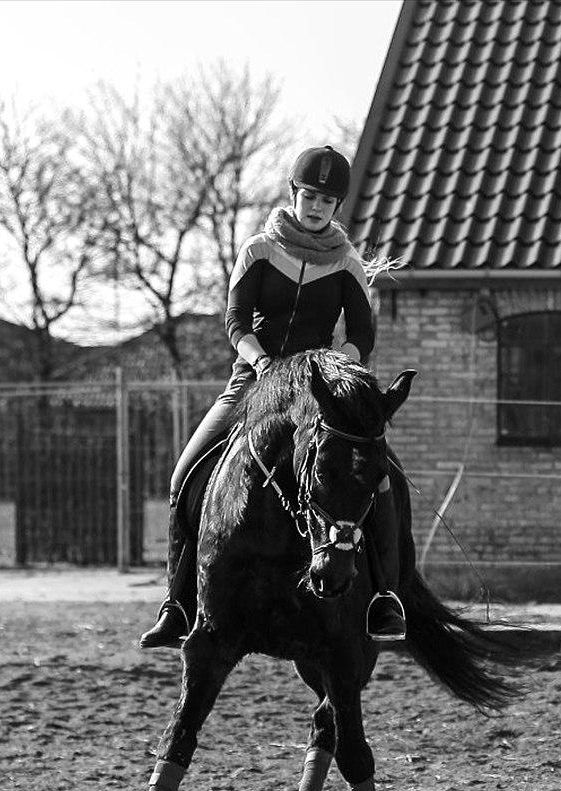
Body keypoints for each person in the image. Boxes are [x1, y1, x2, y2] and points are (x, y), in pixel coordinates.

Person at [140, 145, 407, 649]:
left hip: (317, 391)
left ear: (337, 208)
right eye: (310, 196)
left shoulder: (347, 262)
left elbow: (363, 333)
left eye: (328, 201)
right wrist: (261, 361)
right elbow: (235, 320)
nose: (317, 207)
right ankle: (177, 604)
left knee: (383, 478)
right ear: (293, 194)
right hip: (253, 379)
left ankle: (384, 598)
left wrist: (340, 366)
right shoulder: (258, 250)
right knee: (183, 474)